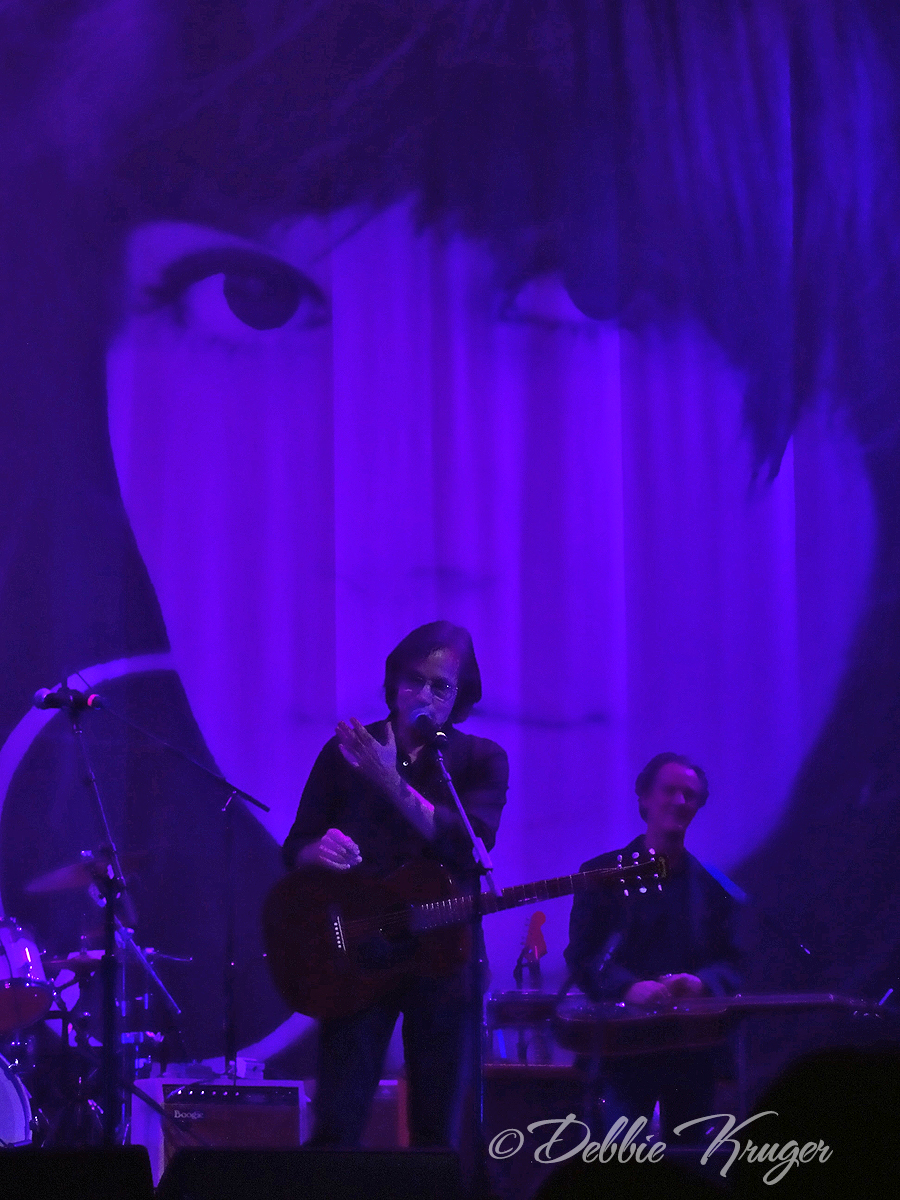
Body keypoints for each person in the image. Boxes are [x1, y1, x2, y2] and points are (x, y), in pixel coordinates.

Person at [281, 620, 508, 1147]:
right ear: (394, 684)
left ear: (459, 696)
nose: (424, 695)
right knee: (338, 1122)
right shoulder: (347, 750)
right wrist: (320, 850)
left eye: (441, 686)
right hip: (361, 951)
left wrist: (387, 777)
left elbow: (468, 845)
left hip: (446, 955)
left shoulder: (481, 758)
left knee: (441, 1130)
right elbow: (294, 848)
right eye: (414, 680)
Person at [564, 752, 741, 1141]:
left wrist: (701, 983)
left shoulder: (714, 887)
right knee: (620, 1162)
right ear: (644, 798)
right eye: (669, 790)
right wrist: (628, 988)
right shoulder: (601, 874)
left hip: (693, 1052)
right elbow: (582, 955)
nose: (680, 801)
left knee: (691, 1165)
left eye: (690, 795)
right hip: (620, 1052)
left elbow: (733, 961)